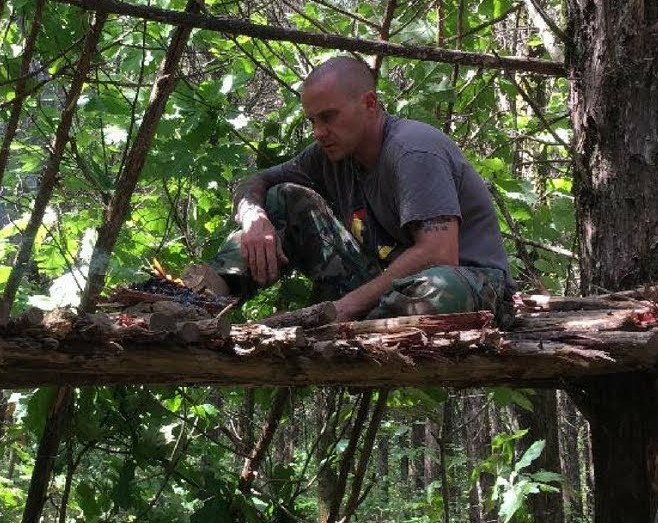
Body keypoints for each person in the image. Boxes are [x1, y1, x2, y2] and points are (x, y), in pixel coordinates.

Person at [185, 55, 513, 325]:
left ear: (369, 104)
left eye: (328, 117)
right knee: (279, 200)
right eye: (312, 121)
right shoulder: (330, 153)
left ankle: (345, 324)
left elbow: (439, 254)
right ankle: (200, 302)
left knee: (441, 289)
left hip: (466, 284)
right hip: (381, 290)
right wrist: (253, 217)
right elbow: (256, 181)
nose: (318, 132)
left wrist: (347, 306)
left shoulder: (413, 150)